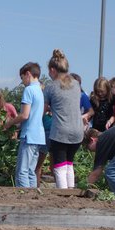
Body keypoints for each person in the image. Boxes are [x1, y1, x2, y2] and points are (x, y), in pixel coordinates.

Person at [43, 49, 84, 188]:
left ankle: (63, 196)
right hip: (78, 131)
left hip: (61, 131)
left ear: (53, 70)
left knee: (59, 165)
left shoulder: (50, 87)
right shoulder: (76, 84)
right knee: (69, 163)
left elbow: (42, 111)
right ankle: (71, 192)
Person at [4, 62, 45, 187]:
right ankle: (33, 198)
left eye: (22, 78)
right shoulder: (40, 90)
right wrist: (19, 126)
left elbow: (24, 115)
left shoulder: (29, 90)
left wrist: (9, 123)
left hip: (29, 136)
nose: (22, 82)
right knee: (31, 171)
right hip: (38, 136)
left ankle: (23, 200)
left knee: (21, 171)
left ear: (28, 74)